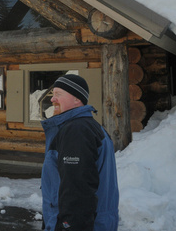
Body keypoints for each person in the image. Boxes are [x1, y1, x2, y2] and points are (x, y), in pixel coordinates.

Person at [40, 74, 119, 231]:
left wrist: (67, 226)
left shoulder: (76, 131)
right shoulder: (90, 127)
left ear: (77, 99)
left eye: (58, 94)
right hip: (97, 221)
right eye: (53, 94)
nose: (52, 99)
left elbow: (76, 190)